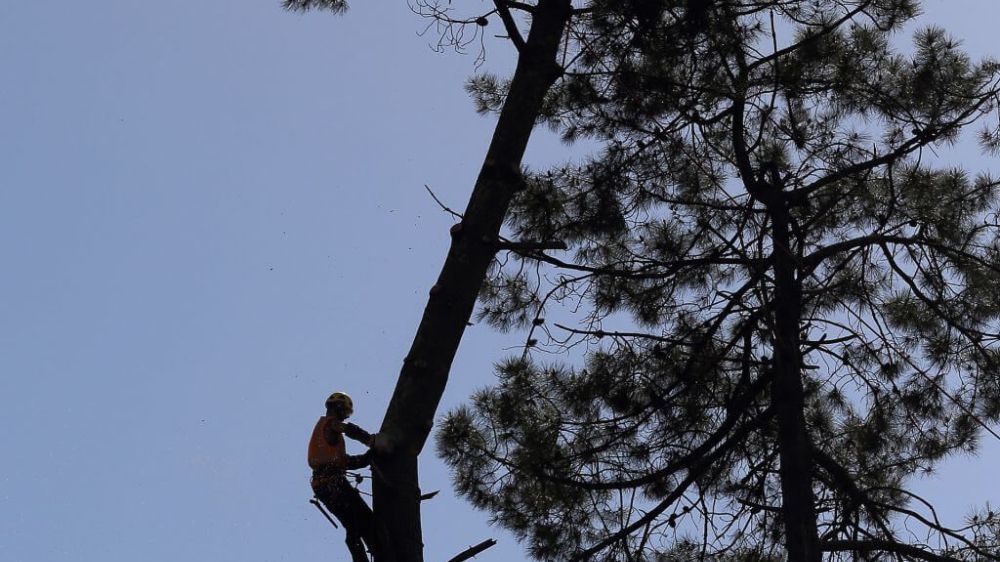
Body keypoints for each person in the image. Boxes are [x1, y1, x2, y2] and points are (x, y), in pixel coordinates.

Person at [308, 392, 379, 562]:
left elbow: (347, 462)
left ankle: (369, 555)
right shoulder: (331, 424)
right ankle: (378, 551)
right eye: (345, 412)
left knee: (353, 522)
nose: (345, 416)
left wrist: (369, 457)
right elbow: (347, 429)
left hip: (323, 485)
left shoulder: (325, 439)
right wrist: (371, 440)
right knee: (362, 520)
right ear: (338, 408)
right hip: (333, 483)